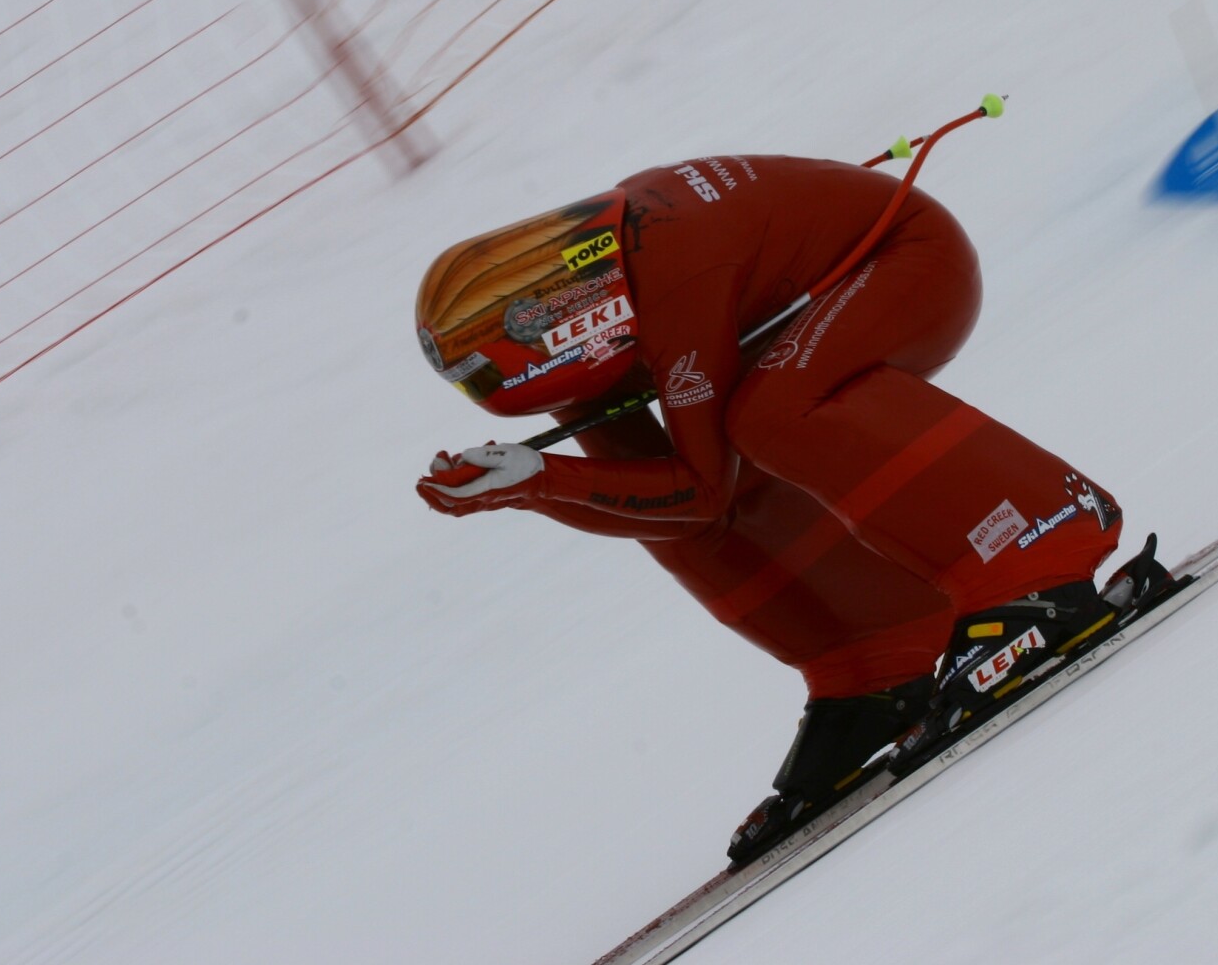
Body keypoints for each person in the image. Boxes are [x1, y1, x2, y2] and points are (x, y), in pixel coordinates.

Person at [414, 155, 1129, 860]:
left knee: (769, 415)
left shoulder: (672, 281)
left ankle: (1042, 548)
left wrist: (539, 479)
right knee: (674, 455)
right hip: (825, 292)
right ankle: (872, 660)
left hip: (910, 261)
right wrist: (534, 480)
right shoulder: (600, 286)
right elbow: (663, 501)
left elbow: (699, 493)